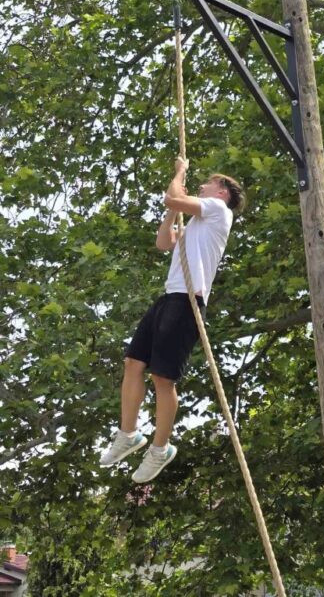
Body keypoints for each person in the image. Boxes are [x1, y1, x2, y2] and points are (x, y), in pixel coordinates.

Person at [100, 157, 244, 482]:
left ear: (222, 192)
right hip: (169, 297)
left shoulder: (219, 210)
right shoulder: (196, 224)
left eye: (208, 183)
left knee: (163, 378)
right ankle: (128, 434)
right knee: (133, 363)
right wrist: (173, 210)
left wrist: (180, 173)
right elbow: (163, 242)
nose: (202, 186)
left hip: (188, 302)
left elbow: (172, 197)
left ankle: (160, 449)